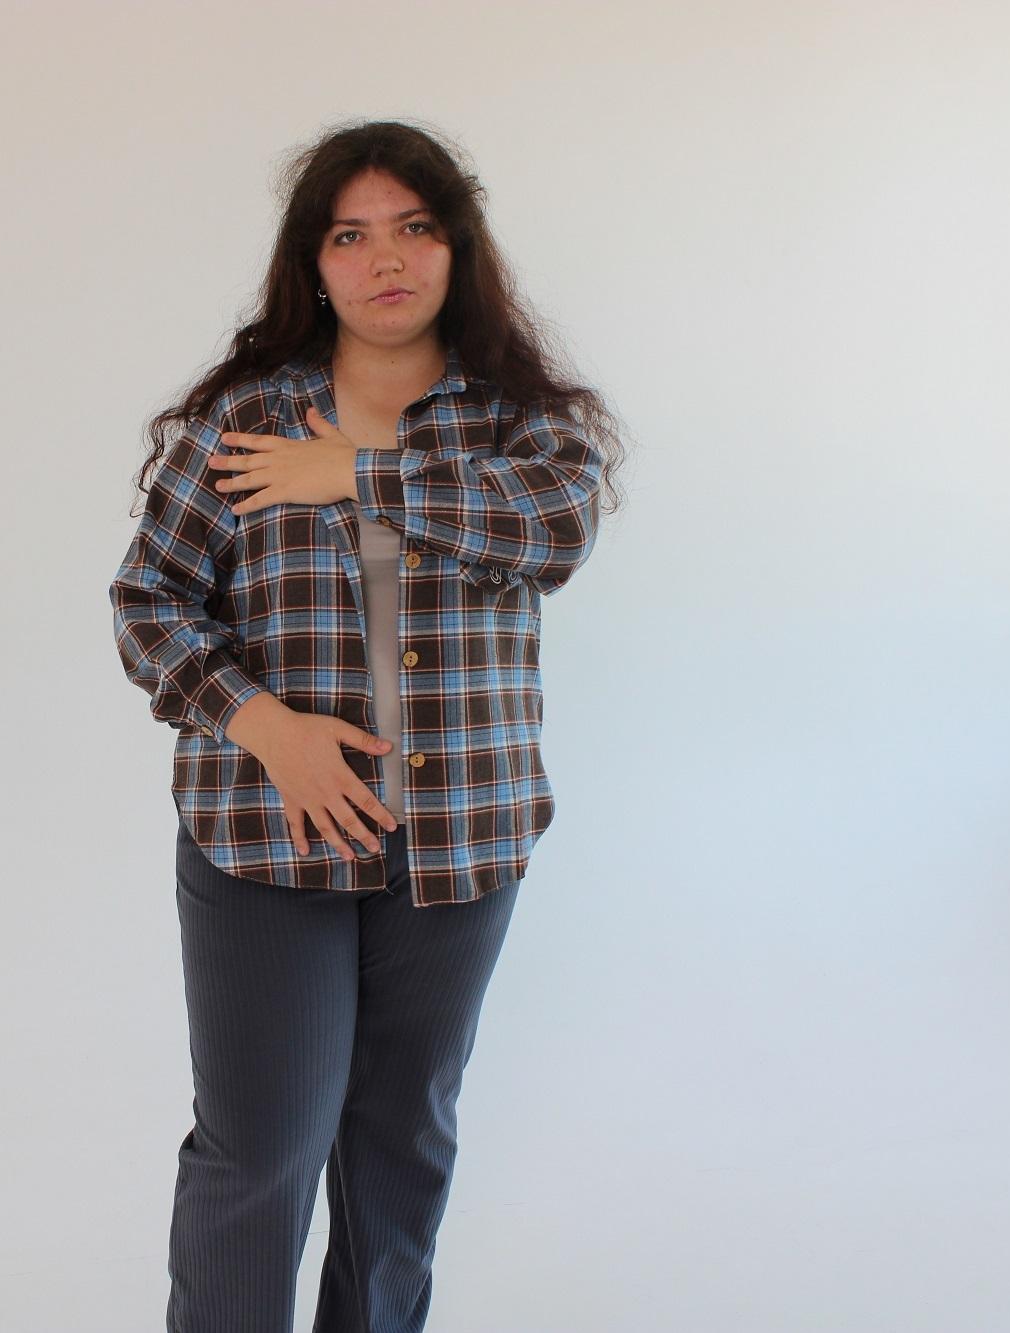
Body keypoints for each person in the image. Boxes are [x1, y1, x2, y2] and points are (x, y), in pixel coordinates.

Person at [108, 119, 628, 1333]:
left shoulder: (519, 426)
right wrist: (262, 725)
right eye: (349, 235)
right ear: (313, 261)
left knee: (401, 1145)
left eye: (413, 227)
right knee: (262, 1152)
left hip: (458, 842)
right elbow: (148, 604)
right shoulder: (243, 424)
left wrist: (354, 473)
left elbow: (552, 530)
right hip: (265, 837)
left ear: (456, 246)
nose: (384, 258)